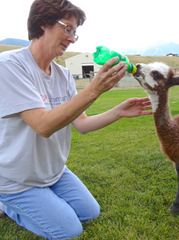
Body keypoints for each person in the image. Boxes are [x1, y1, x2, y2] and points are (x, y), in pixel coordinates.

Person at [0, 0, 152, 239]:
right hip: (18, 179)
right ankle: (7, 205)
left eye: (75, 32)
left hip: (53, 171)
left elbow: (81, 124)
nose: (72, 38)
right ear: (42, 24)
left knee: (90, 213)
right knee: (69, 230)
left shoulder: (62, 75)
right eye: (68, 28)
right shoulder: (9, 66)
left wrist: (118, 111)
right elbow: (43, 126)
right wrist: (94, 90)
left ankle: (42, 197)